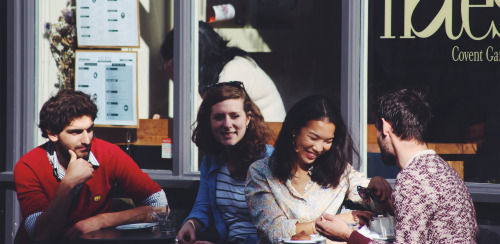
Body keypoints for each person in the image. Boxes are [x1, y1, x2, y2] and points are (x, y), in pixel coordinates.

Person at [315, 88, 479, 243]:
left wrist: (347, 235)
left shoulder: (412, 178)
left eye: (377, 129)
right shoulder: (444, 170)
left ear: (385, 127)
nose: (378, 137)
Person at [14, 89, 168, 243]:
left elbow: (161, 207)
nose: (87, 140)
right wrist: (68, 184)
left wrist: (102, 221)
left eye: (90, 129)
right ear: (52, 134)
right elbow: (41, 236)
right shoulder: (28, 166)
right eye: (76, 132)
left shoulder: (109, 153)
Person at [245, 95, 392, 243]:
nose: (319, 148)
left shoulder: (339, 171)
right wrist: (331, 222)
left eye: (328, 141)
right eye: (313, 138)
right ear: (294, 130)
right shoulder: (261, 172)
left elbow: (373, 202)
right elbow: (274, 230)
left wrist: (376, 187)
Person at [175, 81, 274, 244]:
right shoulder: (211, 159)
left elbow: (278, 228)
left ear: (248, 118)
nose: (227, 124)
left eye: (234, 116)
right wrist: (190, 224)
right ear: (209, 121)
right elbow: (203, 206)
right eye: (219, 117)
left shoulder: (269, 160)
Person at [161, 21, 286, 122]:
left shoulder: (235, 70)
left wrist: (183, 79)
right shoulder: (231, 65)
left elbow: (204, 123)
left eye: (175, 65)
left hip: (267, 143)